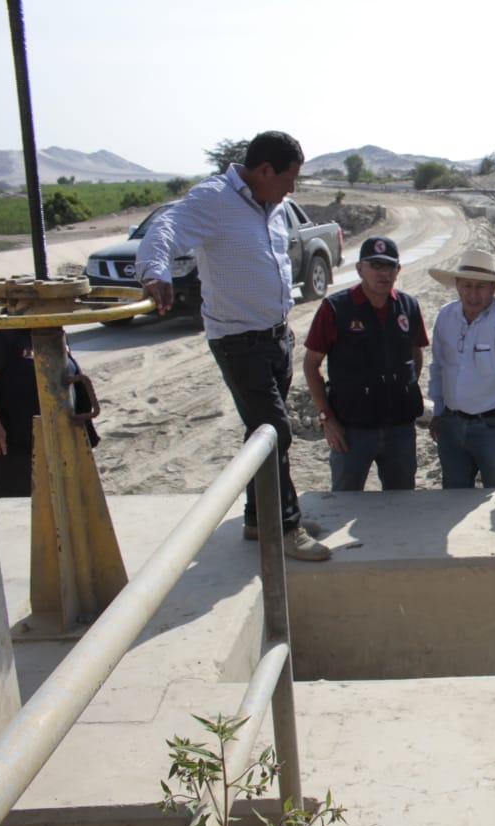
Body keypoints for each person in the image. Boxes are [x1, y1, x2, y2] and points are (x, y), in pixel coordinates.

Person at [136, 130, 330, 561]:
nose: (292, 190)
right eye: (289, 179)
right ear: (265, 171)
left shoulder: (272, 206)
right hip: (238, 341)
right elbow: (166, 227)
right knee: (275, 432)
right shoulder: (214, 199)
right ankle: (285, 528)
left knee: (259, 434)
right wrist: (154, 272)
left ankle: (257, 520)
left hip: (276, 337)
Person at [303, 236, 428, 491]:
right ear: (360, 269)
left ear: (398, 270)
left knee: (402, 501)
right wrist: (327, 418)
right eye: (375, 265)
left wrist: (405, 386)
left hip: (399, 428)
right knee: (345, 500)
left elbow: (415, 352)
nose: (384, 273)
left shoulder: (408, 306)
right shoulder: (335, 308)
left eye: (389, 266)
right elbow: (311, 364)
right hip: (352, 430)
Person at [427, 248, 495, 488]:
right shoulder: (445, 316)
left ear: (493, 288)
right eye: (467, 285)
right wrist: (438, 412)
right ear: (457, 286)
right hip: (452, 424)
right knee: (454, 493)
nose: (473, 294)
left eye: (481, 286)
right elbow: (438, 367)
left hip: (494, 426)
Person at [0, 328, 99, 497]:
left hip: (61, 436)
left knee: (64, 497)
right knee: (21, 499)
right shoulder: (3, 334)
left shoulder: (53, 330)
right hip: (17, 443)